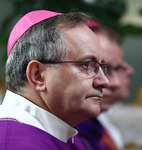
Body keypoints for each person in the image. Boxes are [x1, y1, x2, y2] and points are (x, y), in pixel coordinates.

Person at [0, 10, 110, 149]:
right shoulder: (13, 143)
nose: (104, 81)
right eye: (87, 65)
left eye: (101, 67)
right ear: (38, 76)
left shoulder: (52, 134)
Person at [67, 22, 134, 150]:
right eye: (94, 67)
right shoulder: (60, 136)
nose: (114, 83)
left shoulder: (96, 128)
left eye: (105, 69)